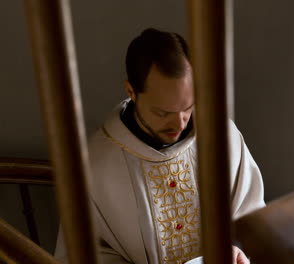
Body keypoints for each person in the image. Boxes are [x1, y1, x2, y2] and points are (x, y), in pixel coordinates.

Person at [54, 28, 265, 264]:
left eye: (187, 108)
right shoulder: (96, 163)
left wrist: (235, 246)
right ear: (131, 91)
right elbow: (84, 252)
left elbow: (251, 215)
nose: (179, 123)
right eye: (162, 112)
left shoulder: (222, 135)